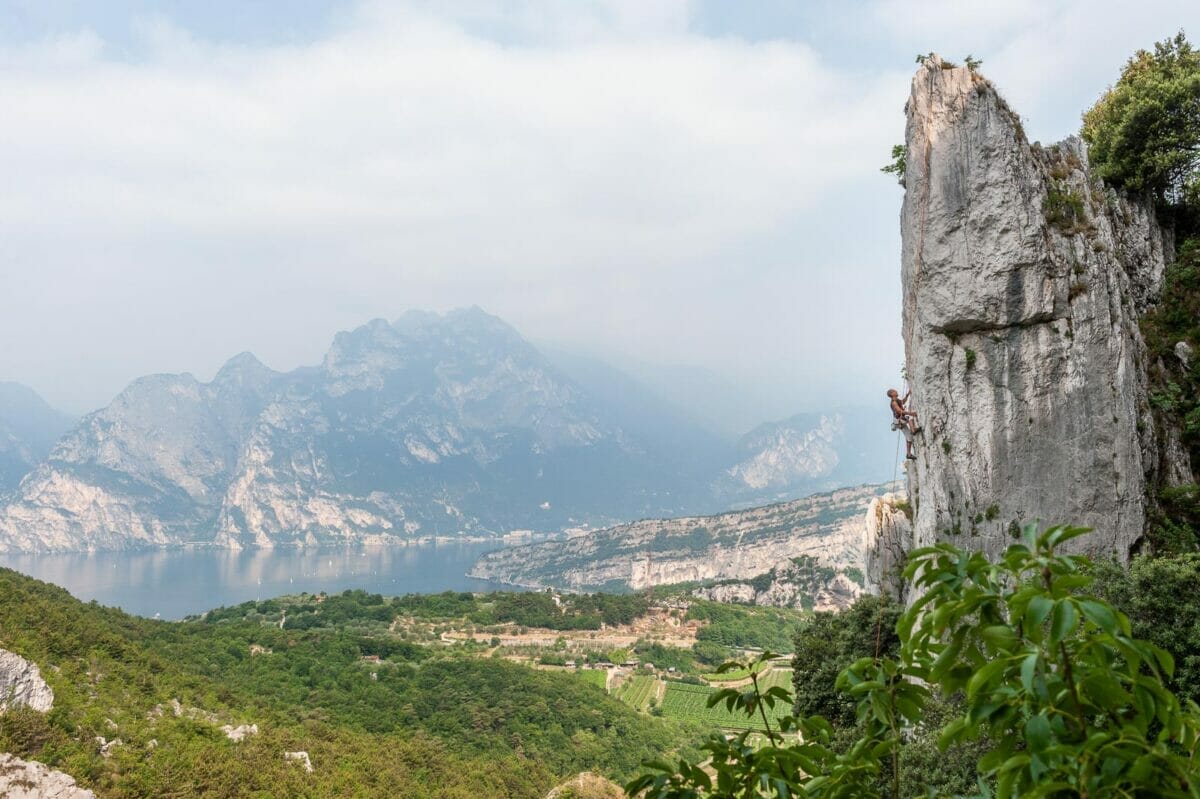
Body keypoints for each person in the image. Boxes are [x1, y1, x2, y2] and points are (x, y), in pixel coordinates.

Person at [888, 388, 920, 460]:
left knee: (909, 437)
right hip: (900, 420)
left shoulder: (896, 400)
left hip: (899, 421)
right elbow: (899, 411)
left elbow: (903, 402)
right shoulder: (894, 403)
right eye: (894, 391)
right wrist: (912, 413)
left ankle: (908, 454)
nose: (896, 390)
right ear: (892, 394)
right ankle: (913, 430)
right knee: (910, 417)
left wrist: (907, 395)